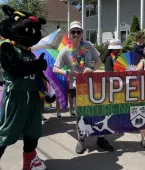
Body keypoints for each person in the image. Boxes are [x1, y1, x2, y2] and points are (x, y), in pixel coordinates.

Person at [0, 5, 47, 170]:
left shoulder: (29, 53)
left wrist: (48, 91)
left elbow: (38, 75)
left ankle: (30, 160)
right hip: (15, 99)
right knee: (6, 133)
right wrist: (37, 65)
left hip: (32, 99)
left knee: (33, 132)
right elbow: (16, 69)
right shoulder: (7, 48)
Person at [53, 21, 114, 154]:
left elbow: (98, 61)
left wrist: (92, 69)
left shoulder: (88, 45)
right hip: (76, 86)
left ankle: (101, 138)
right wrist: (67, 72)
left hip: (92, 84)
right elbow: (55, 68)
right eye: (73, 32)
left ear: (82, 33)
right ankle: (81, 139)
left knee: (98, 111)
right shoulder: (65, 51)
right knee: (80, 114)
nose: (75, 34)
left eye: (78, 31)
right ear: (69, 34)